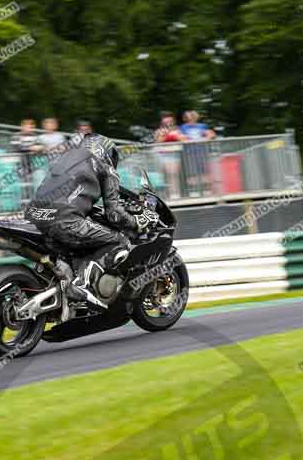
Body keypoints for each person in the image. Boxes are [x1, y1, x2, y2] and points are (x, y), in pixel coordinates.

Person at [25, 133, 157, 311]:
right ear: (107, 152)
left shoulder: (65, 158)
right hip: (65, 220)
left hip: (37, 217)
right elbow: (114, 215)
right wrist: (136, 221)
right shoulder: (106, 167)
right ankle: (81, 284)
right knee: (120, 241)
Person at [180, 110, 215, 196]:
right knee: (192, 172)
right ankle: (194, 190)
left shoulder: (202, 126)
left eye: (193, 116)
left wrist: (204, 139)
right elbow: (182, 138)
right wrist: (195, 140)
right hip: (189, 153)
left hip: (202, 152)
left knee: (205, 171)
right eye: (188, 117)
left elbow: (211, 135)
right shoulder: (183, 127)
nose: (191, 118)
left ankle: (207, 190)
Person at [154, 112, 184, 199]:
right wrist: (167, 135)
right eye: (166, 122)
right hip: (162, 155)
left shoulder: (177, 130)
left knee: (173, 175)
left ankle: (175, 194)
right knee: (163, 176)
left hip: (174, 155)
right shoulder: (159, 131)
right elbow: (158, 141)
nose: (168, 124)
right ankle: (164, 195)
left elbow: (182, 139)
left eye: (170, 122)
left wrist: (175, 136)